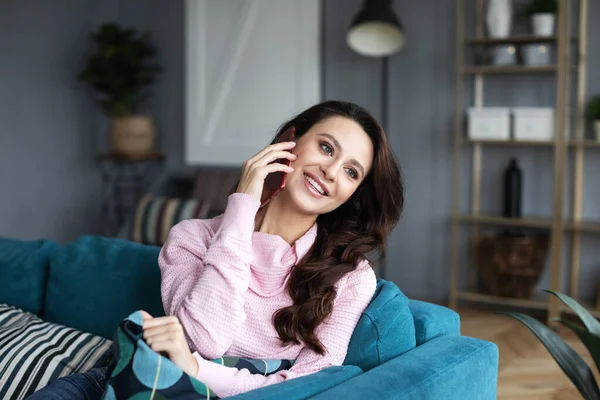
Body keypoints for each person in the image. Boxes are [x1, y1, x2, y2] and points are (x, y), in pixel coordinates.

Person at [28, 100, 404, 399]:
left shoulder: (351, 276)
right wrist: (242, 204)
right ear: (289, 142)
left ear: (354, 193)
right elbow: (205, 337)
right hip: (117, 383)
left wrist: (198, 370)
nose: (332, 171)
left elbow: (306, 384)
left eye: (352, 172)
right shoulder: (189, 237)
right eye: (326, 147)